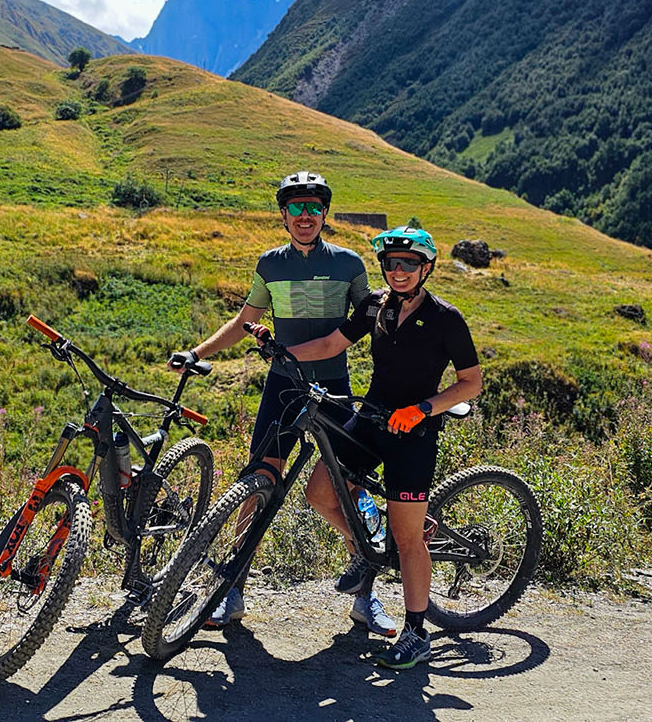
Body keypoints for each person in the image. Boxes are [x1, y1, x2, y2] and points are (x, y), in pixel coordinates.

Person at [167, 171, 388, 633]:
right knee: (258, 482)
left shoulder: (349, 264)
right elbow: (244, 320)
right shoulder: (270, 264)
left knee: (348, 489)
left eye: (313, 207)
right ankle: (231, 591)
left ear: (325, 213)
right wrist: (197, 353)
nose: (305, 216)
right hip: (283, 387)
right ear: (283, 215)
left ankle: (367, 595)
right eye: (296, 208)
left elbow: (372, 319)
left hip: (334, 387)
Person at [281, 222, 482, 669]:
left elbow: (471, 383)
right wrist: (284, 352)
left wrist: (424, 408)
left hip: (414, 434)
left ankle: (416, 632)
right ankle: (366, 553)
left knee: (408, 538)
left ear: (426, 268)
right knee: (319, 493)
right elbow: (335, 342)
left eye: (410, 263)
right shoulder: (374, 305)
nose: (400, 271)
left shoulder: (447, 319)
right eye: (393, 263)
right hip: (370, 420)